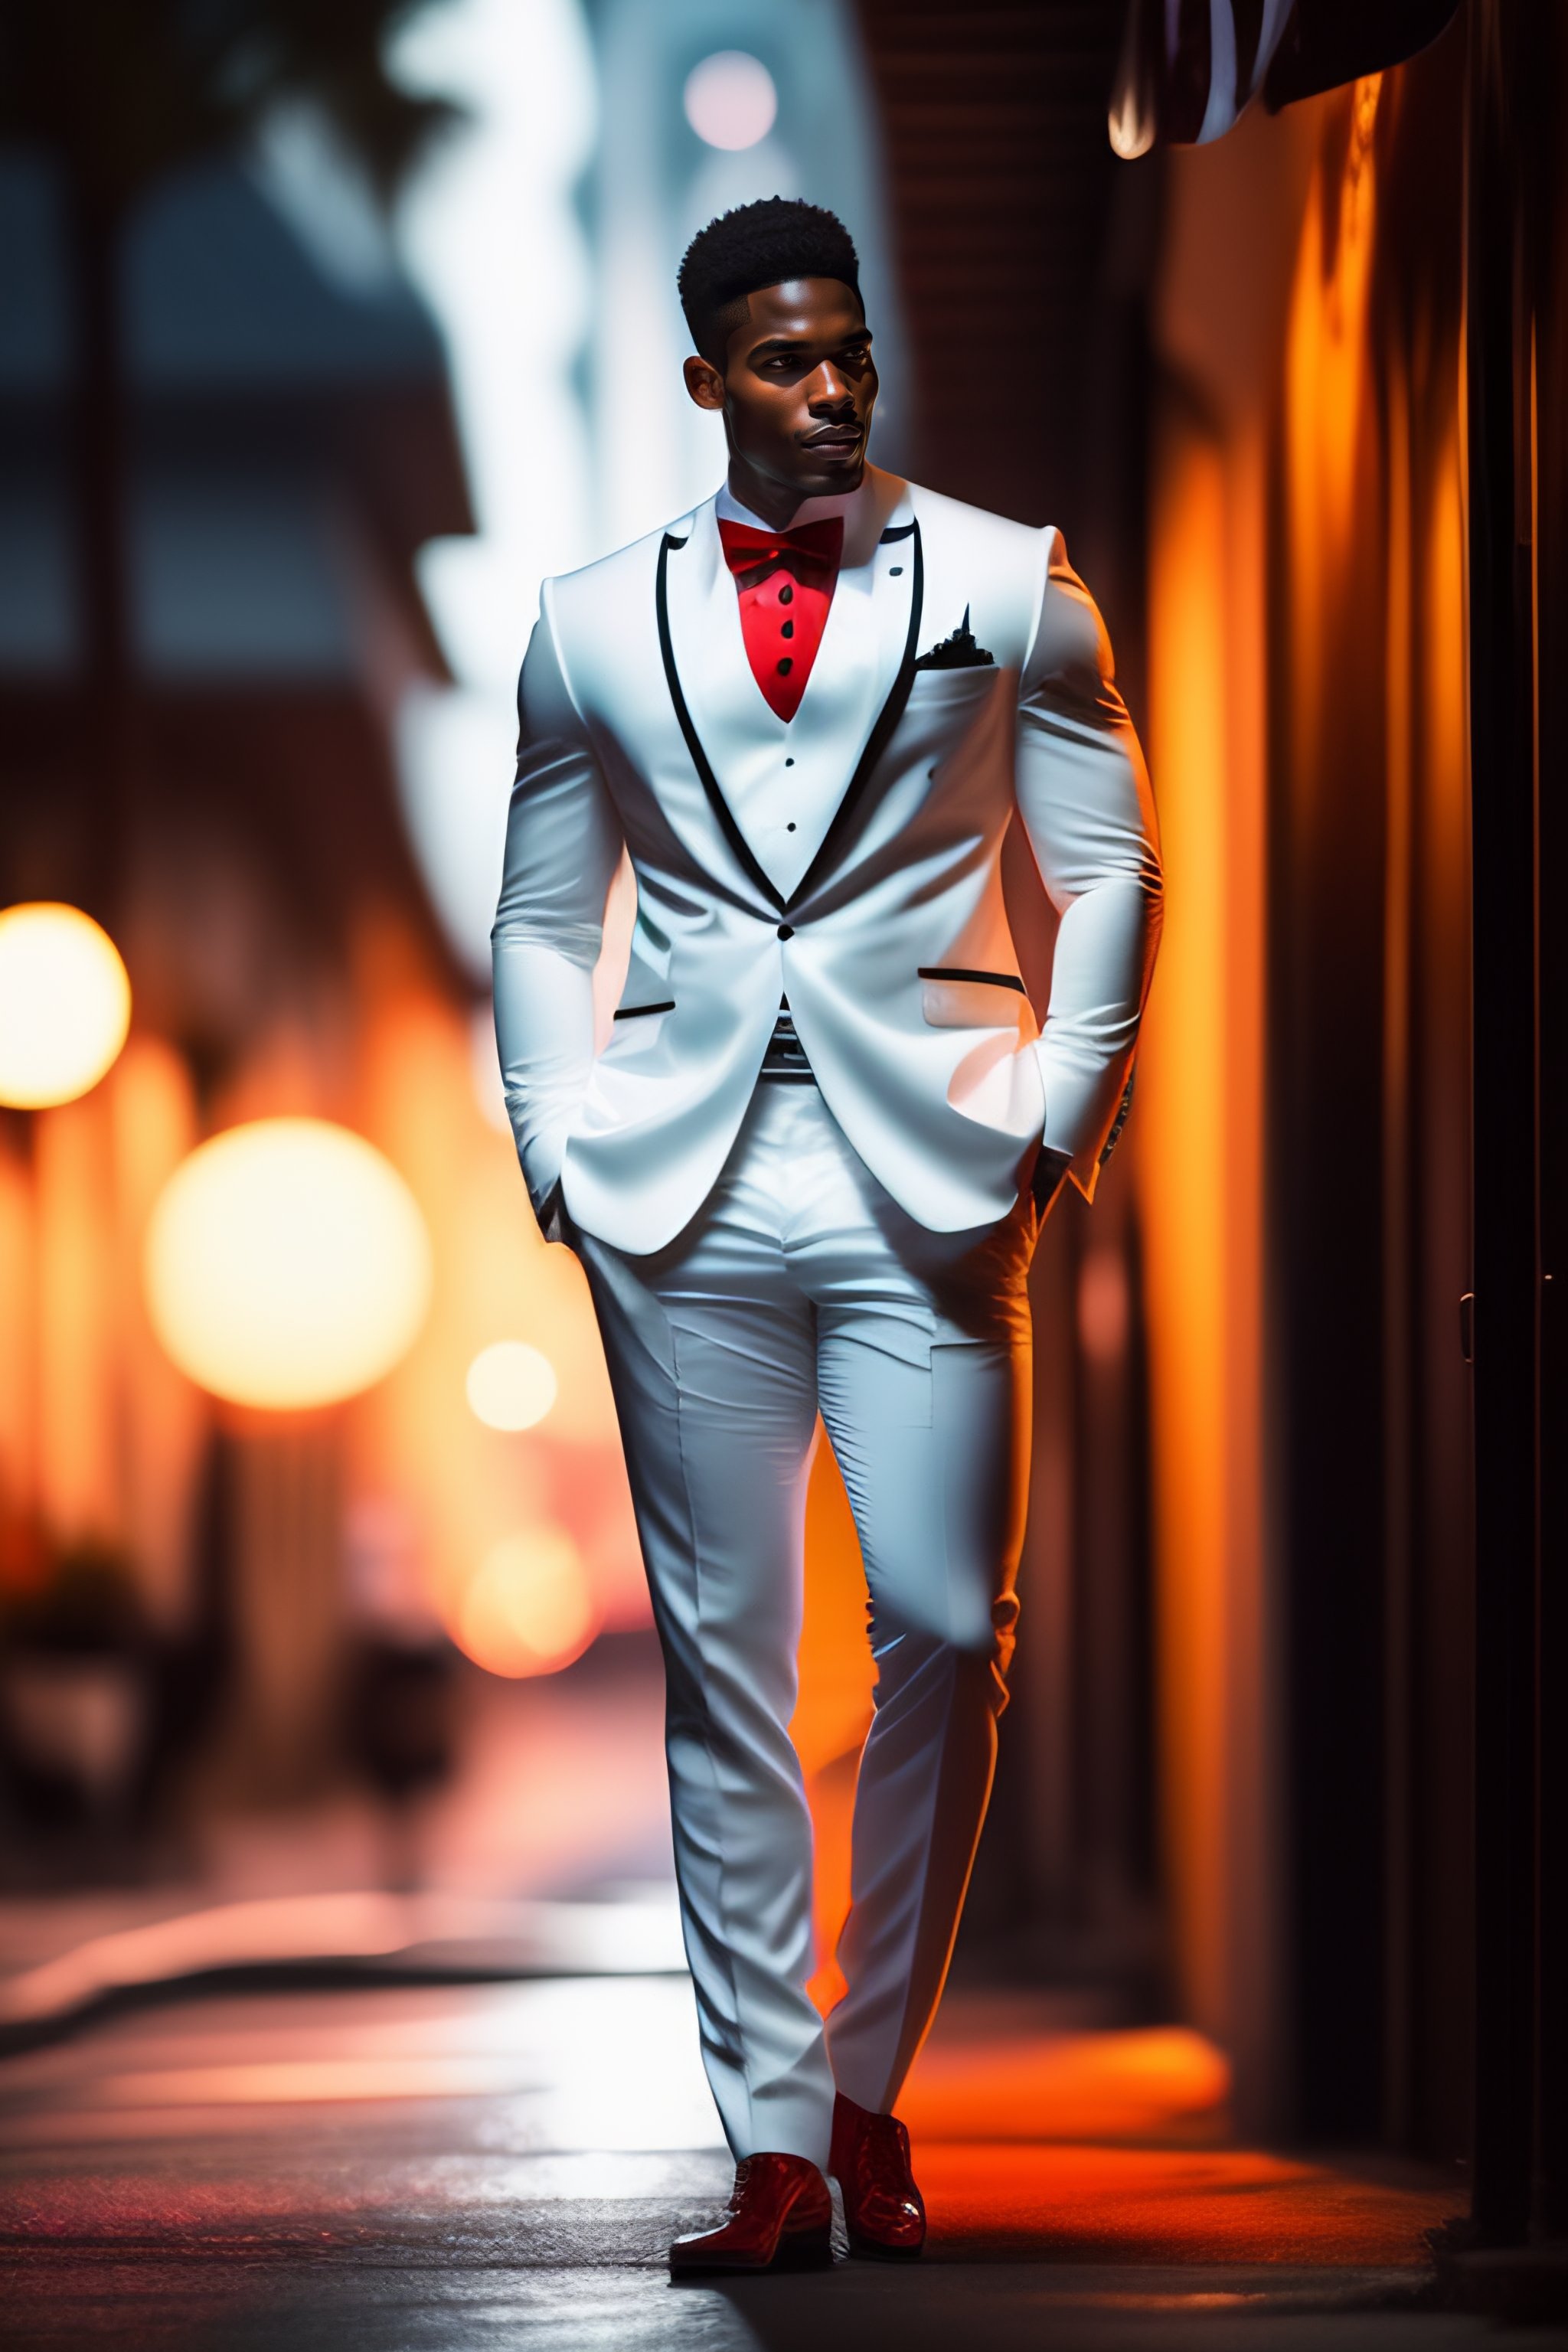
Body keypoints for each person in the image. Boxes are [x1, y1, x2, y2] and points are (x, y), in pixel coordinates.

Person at [493, 198, 1162, 2272]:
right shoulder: (589, 619)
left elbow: (1114, 866)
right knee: (724, 1674)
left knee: (951, 1632)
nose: (833, 387)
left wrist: (1062, 1112)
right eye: (787, 361)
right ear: (710, 379)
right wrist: (555, 1151)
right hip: (680, 1196)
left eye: (851, 352)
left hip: (938, 1175)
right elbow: (538, 917)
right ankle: (777, 2141)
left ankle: (871, 2078)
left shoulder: (1008, 582)